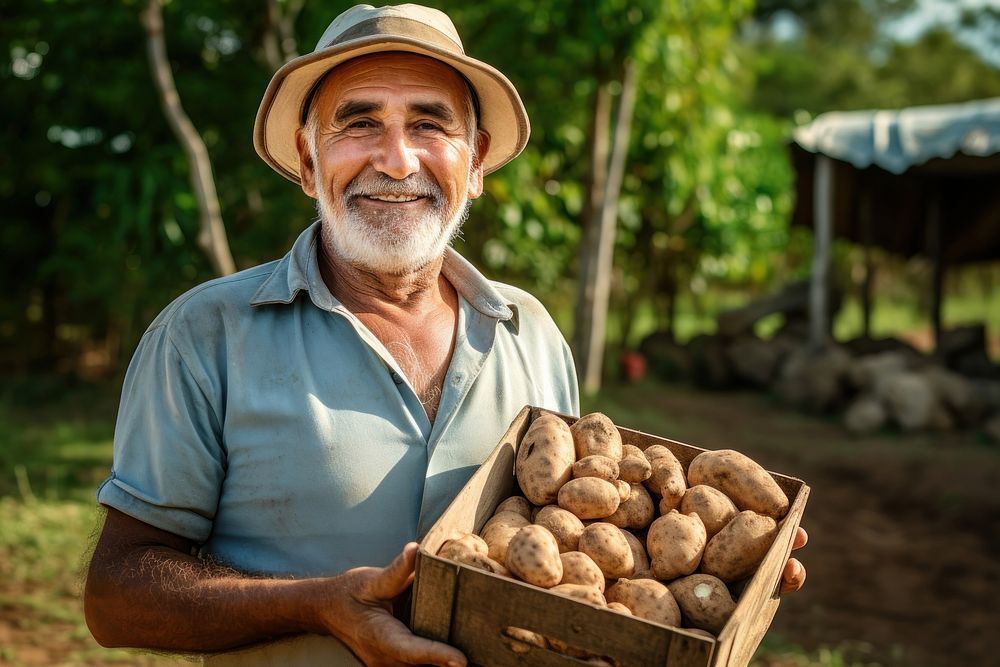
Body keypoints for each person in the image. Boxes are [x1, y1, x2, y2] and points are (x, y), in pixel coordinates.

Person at [84, 4, 807, 666]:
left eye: (430, 124)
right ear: (308, 163)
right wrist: (318, 605)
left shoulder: (531, 333)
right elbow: (117, 594)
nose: (396, 159)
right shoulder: (204, 334)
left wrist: (727, 576)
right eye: (358, 122)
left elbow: (574, 562)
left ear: (478, 162)